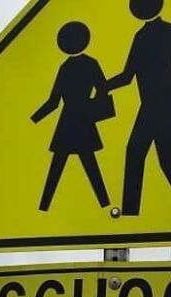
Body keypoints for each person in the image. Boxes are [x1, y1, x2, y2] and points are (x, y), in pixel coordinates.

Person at [108, 0, 171, 216]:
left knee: (155, 157)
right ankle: (134, 213)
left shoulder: (165, 31)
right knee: (150, 156)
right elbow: (128, 76)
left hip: (164, 105)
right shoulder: (141, 36)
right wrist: (105, 86)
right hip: (152, 106)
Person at [32, 21, 111, 212]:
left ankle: (44, 207)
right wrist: (91, 106)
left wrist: (35, 119)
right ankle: (105, 204)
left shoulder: (65, 67)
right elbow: (103, 89)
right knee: (87, 163)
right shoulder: (89, 64)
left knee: (60, 165)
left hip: (68, 121)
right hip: (82, 120)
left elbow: (53, 102)